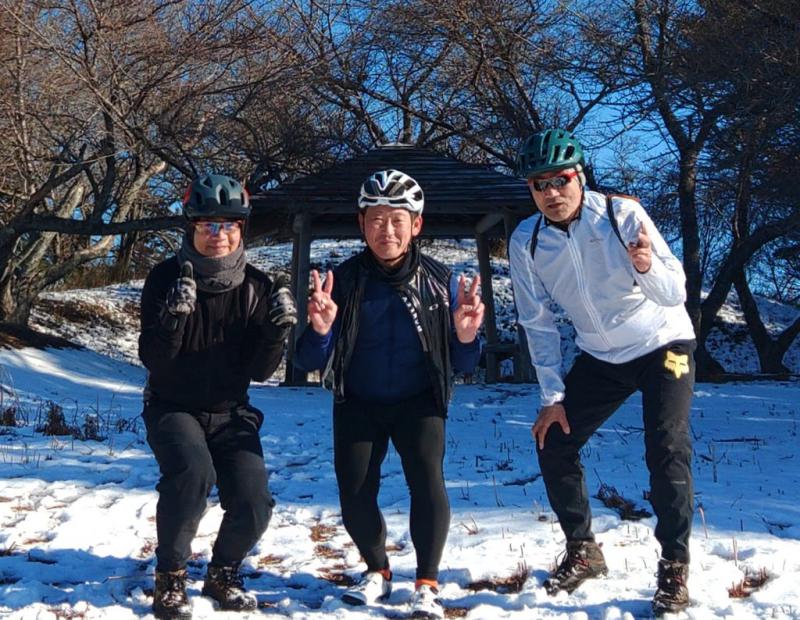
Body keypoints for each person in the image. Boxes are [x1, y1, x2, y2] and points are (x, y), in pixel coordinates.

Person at [508, 129, 696, 616]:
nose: (552, 193)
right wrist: (552, 396)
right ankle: (583, 550)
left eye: (561, 180)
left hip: (662, 343)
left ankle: (674, 568)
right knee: (554, 438)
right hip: (602, 356)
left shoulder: (621, 215)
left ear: (581, 176)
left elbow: (674, 292)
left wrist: (646, 265)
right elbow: (537, 322)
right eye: (540, 184)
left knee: (666, 447)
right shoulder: (527, 241)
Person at [294, 169, 484, 619]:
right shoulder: (342, 281)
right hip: (358, 401)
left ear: (417, 224)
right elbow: (306, 359)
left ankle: (427, 583)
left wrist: (465, 337)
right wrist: (320, 330)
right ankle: (376, 569)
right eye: (376, 219)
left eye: (398, 220)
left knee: (428, 482)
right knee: (355, 493)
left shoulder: (441, 281)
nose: (387, 231)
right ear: (361, 224)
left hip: (420, 402)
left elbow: (464, 364)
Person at [138, 174, 298, 619]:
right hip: (172, 405)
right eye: (207, 225)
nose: (218, 235)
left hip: (231, 411)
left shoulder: (257, 285)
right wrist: (173, 319)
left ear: (241, 229)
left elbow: (260, 370)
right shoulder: (165, 278)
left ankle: (223, 573)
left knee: (254, 499)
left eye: (228, 225)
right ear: (191, 227)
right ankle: (170, 577)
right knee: (193, 475)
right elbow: (154, 359)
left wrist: (276, 332)